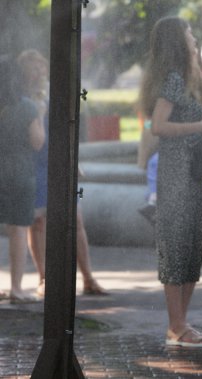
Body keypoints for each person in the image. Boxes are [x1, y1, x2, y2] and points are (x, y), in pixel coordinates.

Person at [139, 16, 202, 347]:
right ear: (178, 40)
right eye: (189, 33)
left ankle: (181, 323)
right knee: (176, 248)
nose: (194, 38)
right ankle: (177, 326)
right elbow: (157, 126)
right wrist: (200, 128)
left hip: (192, 175)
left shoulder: (187, 78)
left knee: (194, 248)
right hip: (176, 175)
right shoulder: (173, 79)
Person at [17, 49, 107, 298]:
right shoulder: (19, 98)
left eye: (41, 67)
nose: (38, 72)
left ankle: (88, 278)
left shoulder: (54, 94)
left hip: (56, 161)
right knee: (37, 223)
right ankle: (44, 278)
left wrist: (72, 160)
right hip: (33, 163)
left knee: (75, 220)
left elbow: (66, 129)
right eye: (32, 68)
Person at [0, 56, 45, 303]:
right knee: (17, 230)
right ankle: (16, 288)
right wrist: (39, 116)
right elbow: (37, 142)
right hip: (19, 173)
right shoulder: (27, 107)